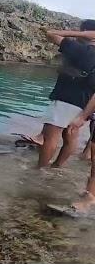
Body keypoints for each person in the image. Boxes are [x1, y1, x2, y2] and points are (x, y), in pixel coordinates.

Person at [37, 21, 95, 169]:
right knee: (71, 135)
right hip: (86, 102)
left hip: (67, 98)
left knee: (50, 136)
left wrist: (79, 34)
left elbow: (51, 33)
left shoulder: (80, 50)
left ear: (87, 32)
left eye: (81, 30)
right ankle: (57, 166)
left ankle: (40, 169)